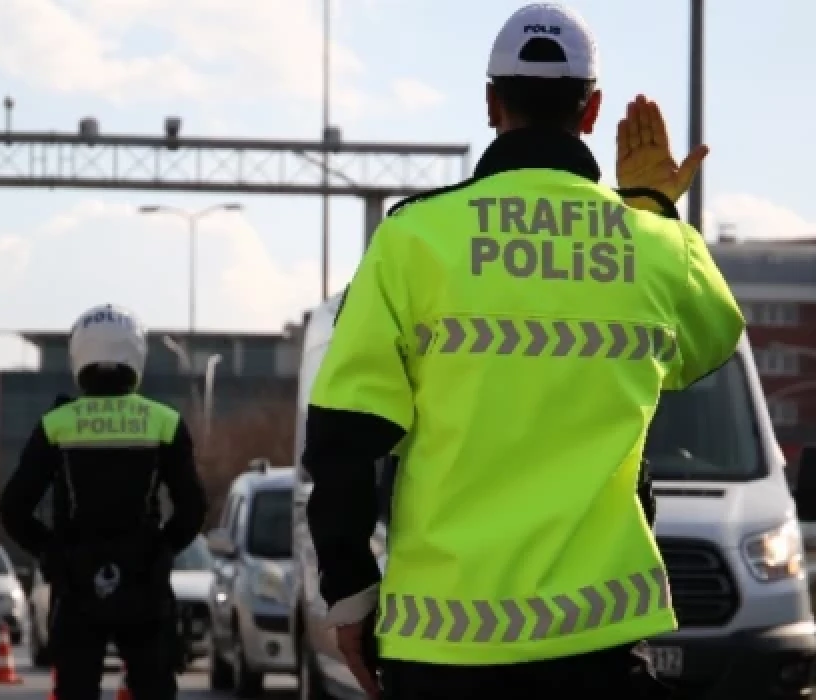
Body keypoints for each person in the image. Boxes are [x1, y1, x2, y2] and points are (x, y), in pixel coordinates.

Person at [300, 3, 742, 699]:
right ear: (591, 110)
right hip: (598, 644)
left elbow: (343, 438)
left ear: (490, 102)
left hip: (438, 649)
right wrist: (653, 207)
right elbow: (713, 342)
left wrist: (351, 594)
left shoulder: (413, 240)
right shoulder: (655, 248)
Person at [0, 304, 207, 700]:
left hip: (77, 585)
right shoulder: (165, 421)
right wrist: (162, 549)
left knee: (76, 689)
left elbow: (13, 508)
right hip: (145, 583)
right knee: (154, 689)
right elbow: (193, 508)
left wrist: (52, 553)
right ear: (137, 354)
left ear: (79, 354)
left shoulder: (57, 424)